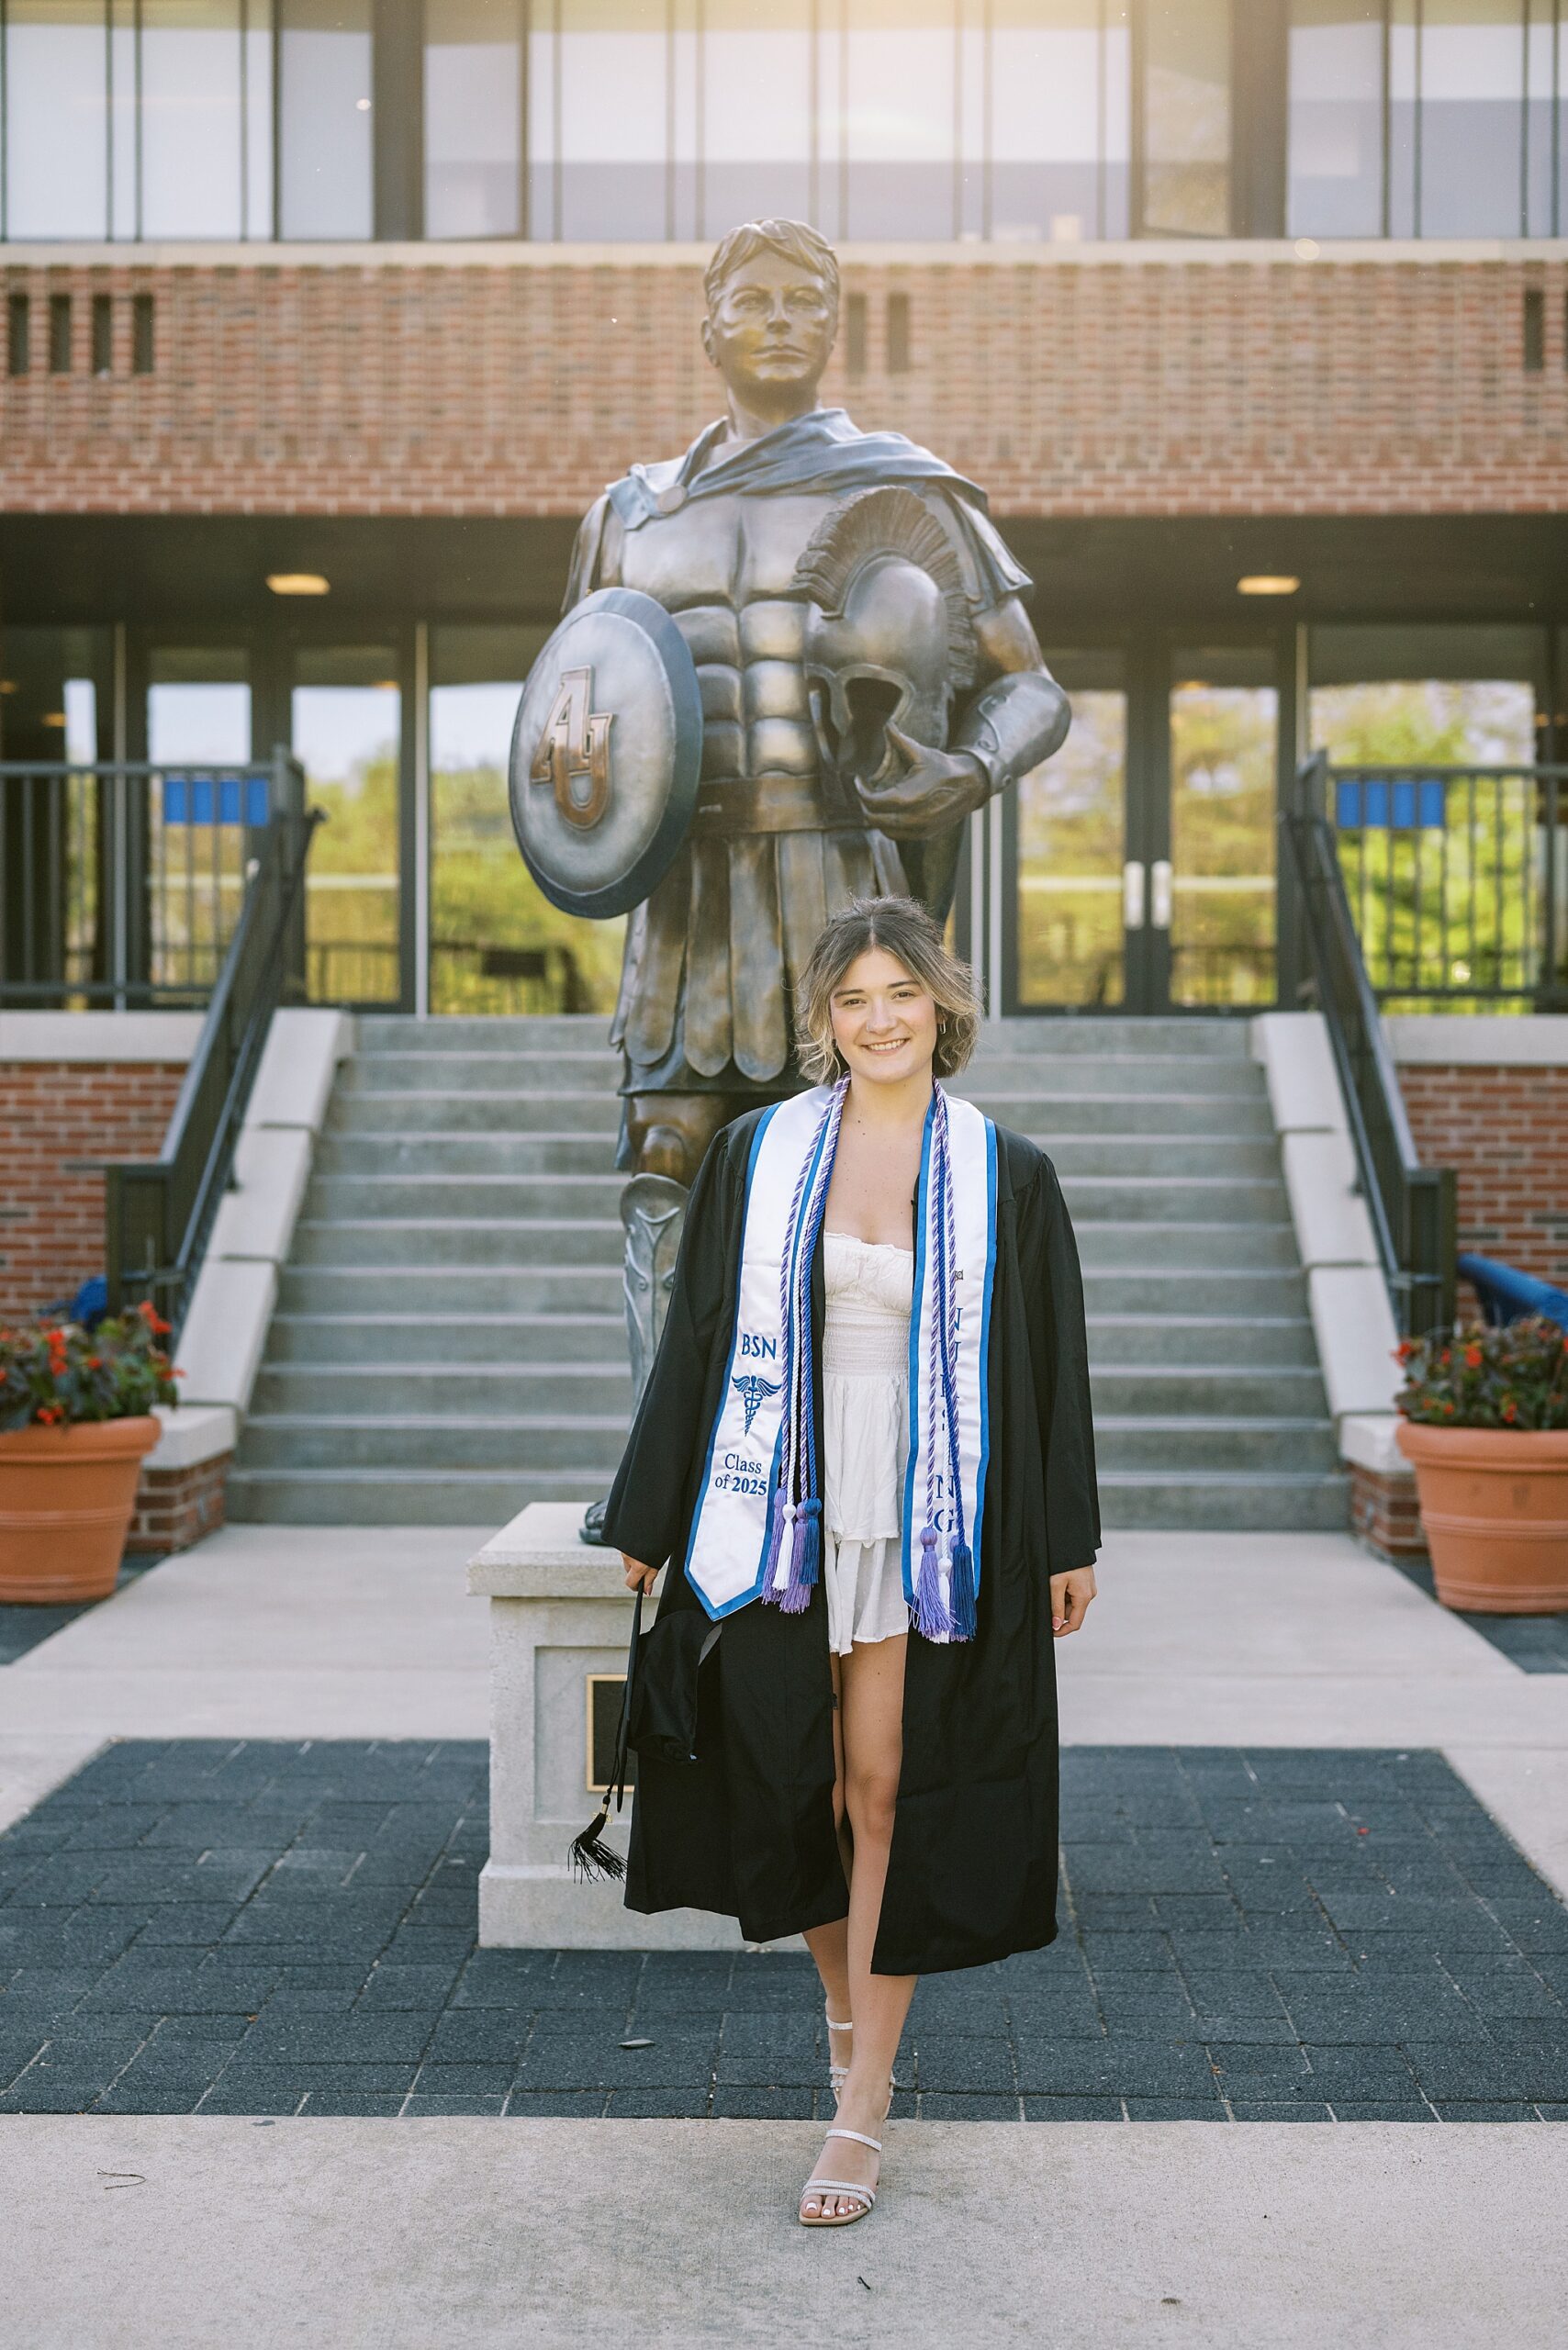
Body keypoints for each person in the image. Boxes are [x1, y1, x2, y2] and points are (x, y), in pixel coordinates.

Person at [599, 897, 1100, 2228]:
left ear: (943, 1004)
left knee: (886, 1784)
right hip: (786, 1500)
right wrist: (646, 1518)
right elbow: (699, 1337)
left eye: (901, 994)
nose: (880, 1020)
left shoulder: (1008, 1172)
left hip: (931, 1508)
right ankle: (843, 2019)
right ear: (825, 1018)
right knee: (805, 1786)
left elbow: (1054, 1368)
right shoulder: (760, 1153)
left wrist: (1067, 1540)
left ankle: (864, 2098)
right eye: (854, 999)